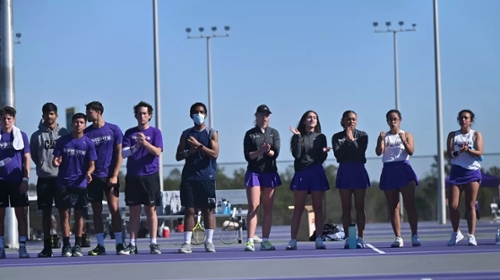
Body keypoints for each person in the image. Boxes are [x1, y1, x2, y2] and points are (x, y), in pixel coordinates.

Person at [119, 101, 163, 255]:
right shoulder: (130, 133)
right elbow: (123, 153)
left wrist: (144, 143)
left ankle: (153, 243)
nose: (142, 115)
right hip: (133, 176)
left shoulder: (155, 132)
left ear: (149, 115)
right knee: (134, 211)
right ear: (136, 115)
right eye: (139, 113)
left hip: (150, 176)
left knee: (151, 210)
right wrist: (135, 147)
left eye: (145, 113)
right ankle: (132, 244)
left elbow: (157, 152)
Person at [175, 102, 219, 254]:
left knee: (208, 211)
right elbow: (178, 156)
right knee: (189, 210)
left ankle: (209, 242)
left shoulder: (211, 133)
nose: (198, 114)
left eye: (201, 112)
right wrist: (189, 152)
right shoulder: (186, 134)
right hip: (189, 178)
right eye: (195, 112)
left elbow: (215, 154)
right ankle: (187, 243)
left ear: (205, 115)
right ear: (191, 115)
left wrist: (200, 146)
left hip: (207, 177)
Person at [53, 113, 97, 257]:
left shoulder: (88, 143)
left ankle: (77, 245)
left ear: (85, 125)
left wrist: (89, 173)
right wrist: (56, 162)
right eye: (76, 122)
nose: (78, 125)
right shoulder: (62, 141)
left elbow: (92, 164)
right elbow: (56, 159)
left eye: (81, 122)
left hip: (81, 184)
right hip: (63, 183)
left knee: (79, 216)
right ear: (72, 124)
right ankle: (66, 245)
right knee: (64, 215)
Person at [375, 109, 420, 248]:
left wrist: (404, 141)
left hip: (404, 169)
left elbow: (411, 151)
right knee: (393, 206)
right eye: (390, 119)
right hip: (389, 170)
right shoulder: (384, 136)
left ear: (400, 120)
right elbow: (378, 152)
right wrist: (381, 139)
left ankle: (414, 235)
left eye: (395, 119)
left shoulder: (407, 134)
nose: (392, 122)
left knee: (410, 204)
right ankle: (398, 237)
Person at [84, 101, 125, 255]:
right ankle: (100, 245)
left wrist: (114, 174)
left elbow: (119, 153)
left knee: (114, 210)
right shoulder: (87, 133)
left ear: (98, 112)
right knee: (96, 212)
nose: (88, 114)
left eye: (90, 112)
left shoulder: (113, 130)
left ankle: (119, 244)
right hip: (94, 179)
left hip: (110, 177)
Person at [30, 103, 70, 258]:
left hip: (61, 179)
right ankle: (47, 246)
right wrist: (42, 165)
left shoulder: (65, 133)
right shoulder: (36, 136)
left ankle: (66, 245)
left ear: (56, 116)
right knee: (46, 214)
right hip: (44, 179)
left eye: (52, 114)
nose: (49, 117)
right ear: (43, 116)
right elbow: (33, 155)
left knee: (64, 213)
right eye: (47, 114)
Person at [286, 110, 330, 250]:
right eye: (309, 117)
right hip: (301, 173)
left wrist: (323, 153)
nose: (312, 119)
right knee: (298, 208)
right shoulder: (297, 136)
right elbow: (297, 155)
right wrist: (298, 137)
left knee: (318, 208)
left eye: (314, 117)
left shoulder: (321, 137)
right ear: (304, 120)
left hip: (316, 173)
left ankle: (319, 239)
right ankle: (293, 240)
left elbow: (321, 159)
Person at [243, 104, 281, 252]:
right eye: (262, 115)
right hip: (254, 172)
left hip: (270, 172)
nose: (264, 118)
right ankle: (250, 240)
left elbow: (276, 153)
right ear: (256, 116)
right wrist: (260, 151)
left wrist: (269, 151)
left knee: (268, 207)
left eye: (267, 115)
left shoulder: (274, 133)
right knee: (253, 206)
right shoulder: (250, 134)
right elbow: (248, 156)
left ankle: (265, 240)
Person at [332, 110, 370, 249]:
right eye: (348, 119)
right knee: (346, 207)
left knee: (360, 206)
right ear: (343, 121)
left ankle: (360, 237)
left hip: (359, 171)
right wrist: (347, 141)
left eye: (354, 119)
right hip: (345, 172)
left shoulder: (363, 135)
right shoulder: (336, 137)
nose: (351, 122)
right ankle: (348, 238)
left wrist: (352, 140)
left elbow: (360, 153)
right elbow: (339, 156)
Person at [446, 109, 483, 246]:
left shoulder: (476, 135)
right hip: (457, 172)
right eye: (461, 118)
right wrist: (459, 151)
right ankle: (456, 232)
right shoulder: (452, 135)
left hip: (472, 171)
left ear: (470, 120)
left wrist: (469, 150)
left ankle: (471, 235)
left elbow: (479, 152)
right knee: (453, 205)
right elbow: (450, 154)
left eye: (466, 118)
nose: (463, 120)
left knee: (470, 205)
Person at [0, 106, 31, 259]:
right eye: (4, 118)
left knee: (21, 214)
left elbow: (27, 158)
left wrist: (26, 179)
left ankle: (22, 247)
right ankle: (0, 247)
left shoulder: (21, 136)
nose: (6, 121)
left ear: (13, 119)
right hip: (1, 182)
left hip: (18, 181)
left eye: (9, 118)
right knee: (0, 215)